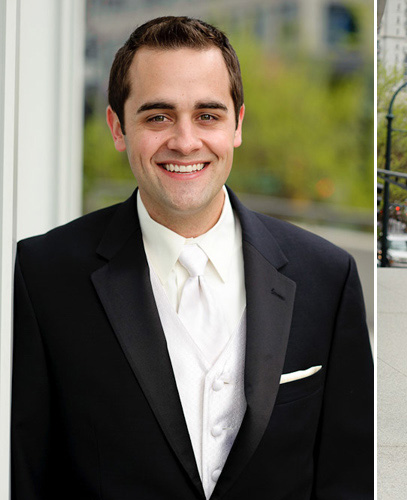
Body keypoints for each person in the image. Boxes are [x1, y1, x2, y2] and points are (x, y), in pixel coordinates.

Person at [11, 16, 373, 499]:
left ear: (237, 124)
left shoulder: (327, 277)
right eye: (157, 116)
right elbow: (26, 472)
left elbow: (347, 478)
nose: (185, 141)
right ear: (118, 127)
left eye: (208, 115)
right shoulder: (43, 275)